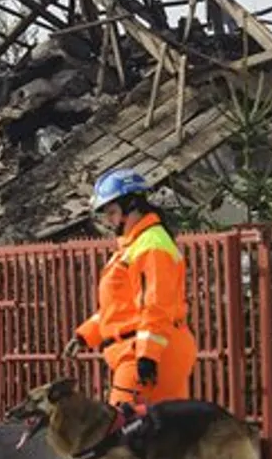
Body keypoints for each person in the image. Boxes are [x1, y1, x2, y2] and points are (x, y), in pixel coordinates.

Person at [63, 167, 199, 409]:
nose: (108, 220)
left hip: (143, 353)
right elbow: (119, 306)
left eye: (112, 212)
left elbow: (156, 305)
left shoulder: (149, 246)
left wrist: (148, 355)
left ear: (132, 206)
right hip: (150, 349)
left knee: (120, 428)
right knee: (165, 430)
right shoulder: (136, 245)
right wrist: (86, 335)